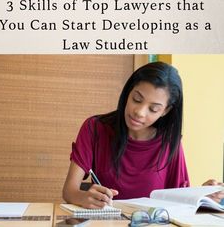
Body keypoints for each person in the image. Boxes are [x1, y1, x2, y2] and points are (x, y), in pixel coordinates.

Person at [62, 61, 224, 209]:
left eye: (153, 109)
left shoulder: (169, 143)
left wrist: (202, 196)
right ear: (128, 92)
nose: (139, 112)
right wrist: (84, 197)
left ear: (165, 111)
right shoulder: (95, 128)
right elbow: (69, 191)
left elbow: (180, 200)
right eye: (137, 99)